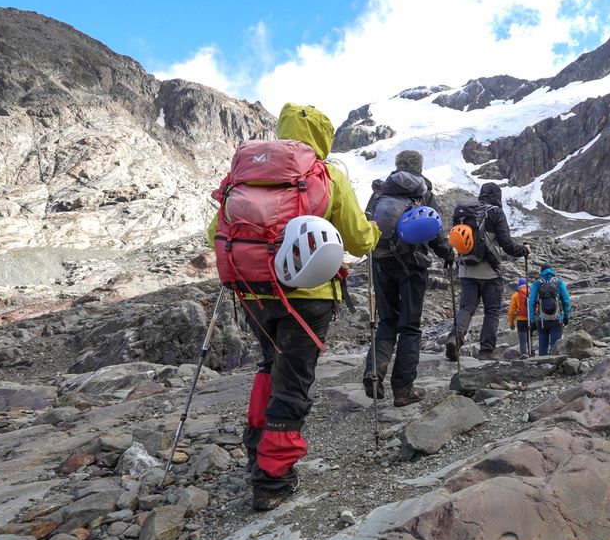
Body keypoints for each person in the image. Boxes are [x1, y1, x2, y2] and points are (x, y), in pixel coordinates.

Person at [209, 103, 379, 511]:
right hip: (309, 296)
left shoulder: (247, 174)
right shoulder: (326, 175)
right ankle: (272, 478)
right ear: (323, 137)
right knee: (294, 379)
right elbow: (359, 241)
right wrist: (373, 232)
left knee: (270, 365)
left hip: (254, 292)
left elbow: (215, 230)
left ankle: (257, 449)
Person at [363, 150, 454, 406]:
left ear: (397, 165)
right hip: (412, 265)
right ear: (420, 167)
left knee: (387, 321)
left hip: (381, 262)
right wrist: (448, 254)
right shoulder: (423, 192)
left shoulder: (380, 191)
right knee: (410, 327)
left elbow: (366, 224)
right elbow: (434, 229)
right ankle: (403, 390)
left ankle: (374, 372)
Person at [447, 182, 529, 360]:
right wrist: (523, 250)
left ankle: (454, 337)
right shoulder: (495, 212)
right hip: (490, 272)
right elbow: (507, 245)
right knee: (491, 311)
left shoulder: (465, 212)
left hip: (466, 269)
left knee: (466, 308)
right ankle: (485, 351)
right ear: (497, 196)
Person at [528, 264, 571, 356]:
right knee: (555, 346)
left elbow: (531, 303)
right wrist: (566, 316)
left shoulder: (536, 283)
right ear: (552, 271)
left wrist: (531, 320)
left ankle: (542, 363)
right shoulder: (559, 282)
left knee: (543, 346)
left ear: (541, 272)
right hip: (557, 319)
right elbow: (566, 300)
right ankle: (554, 363)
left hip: (542, 320)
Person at [507, 277, 531, 357]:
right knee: (530, 337)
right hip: (530, 319)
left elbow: (511, 312)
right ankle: (531, 354)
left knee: (522, 340)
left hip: (520, 320)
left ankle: (524, 355)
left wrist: (511, 324)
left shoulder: (515, 295)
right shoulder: (531, 293)